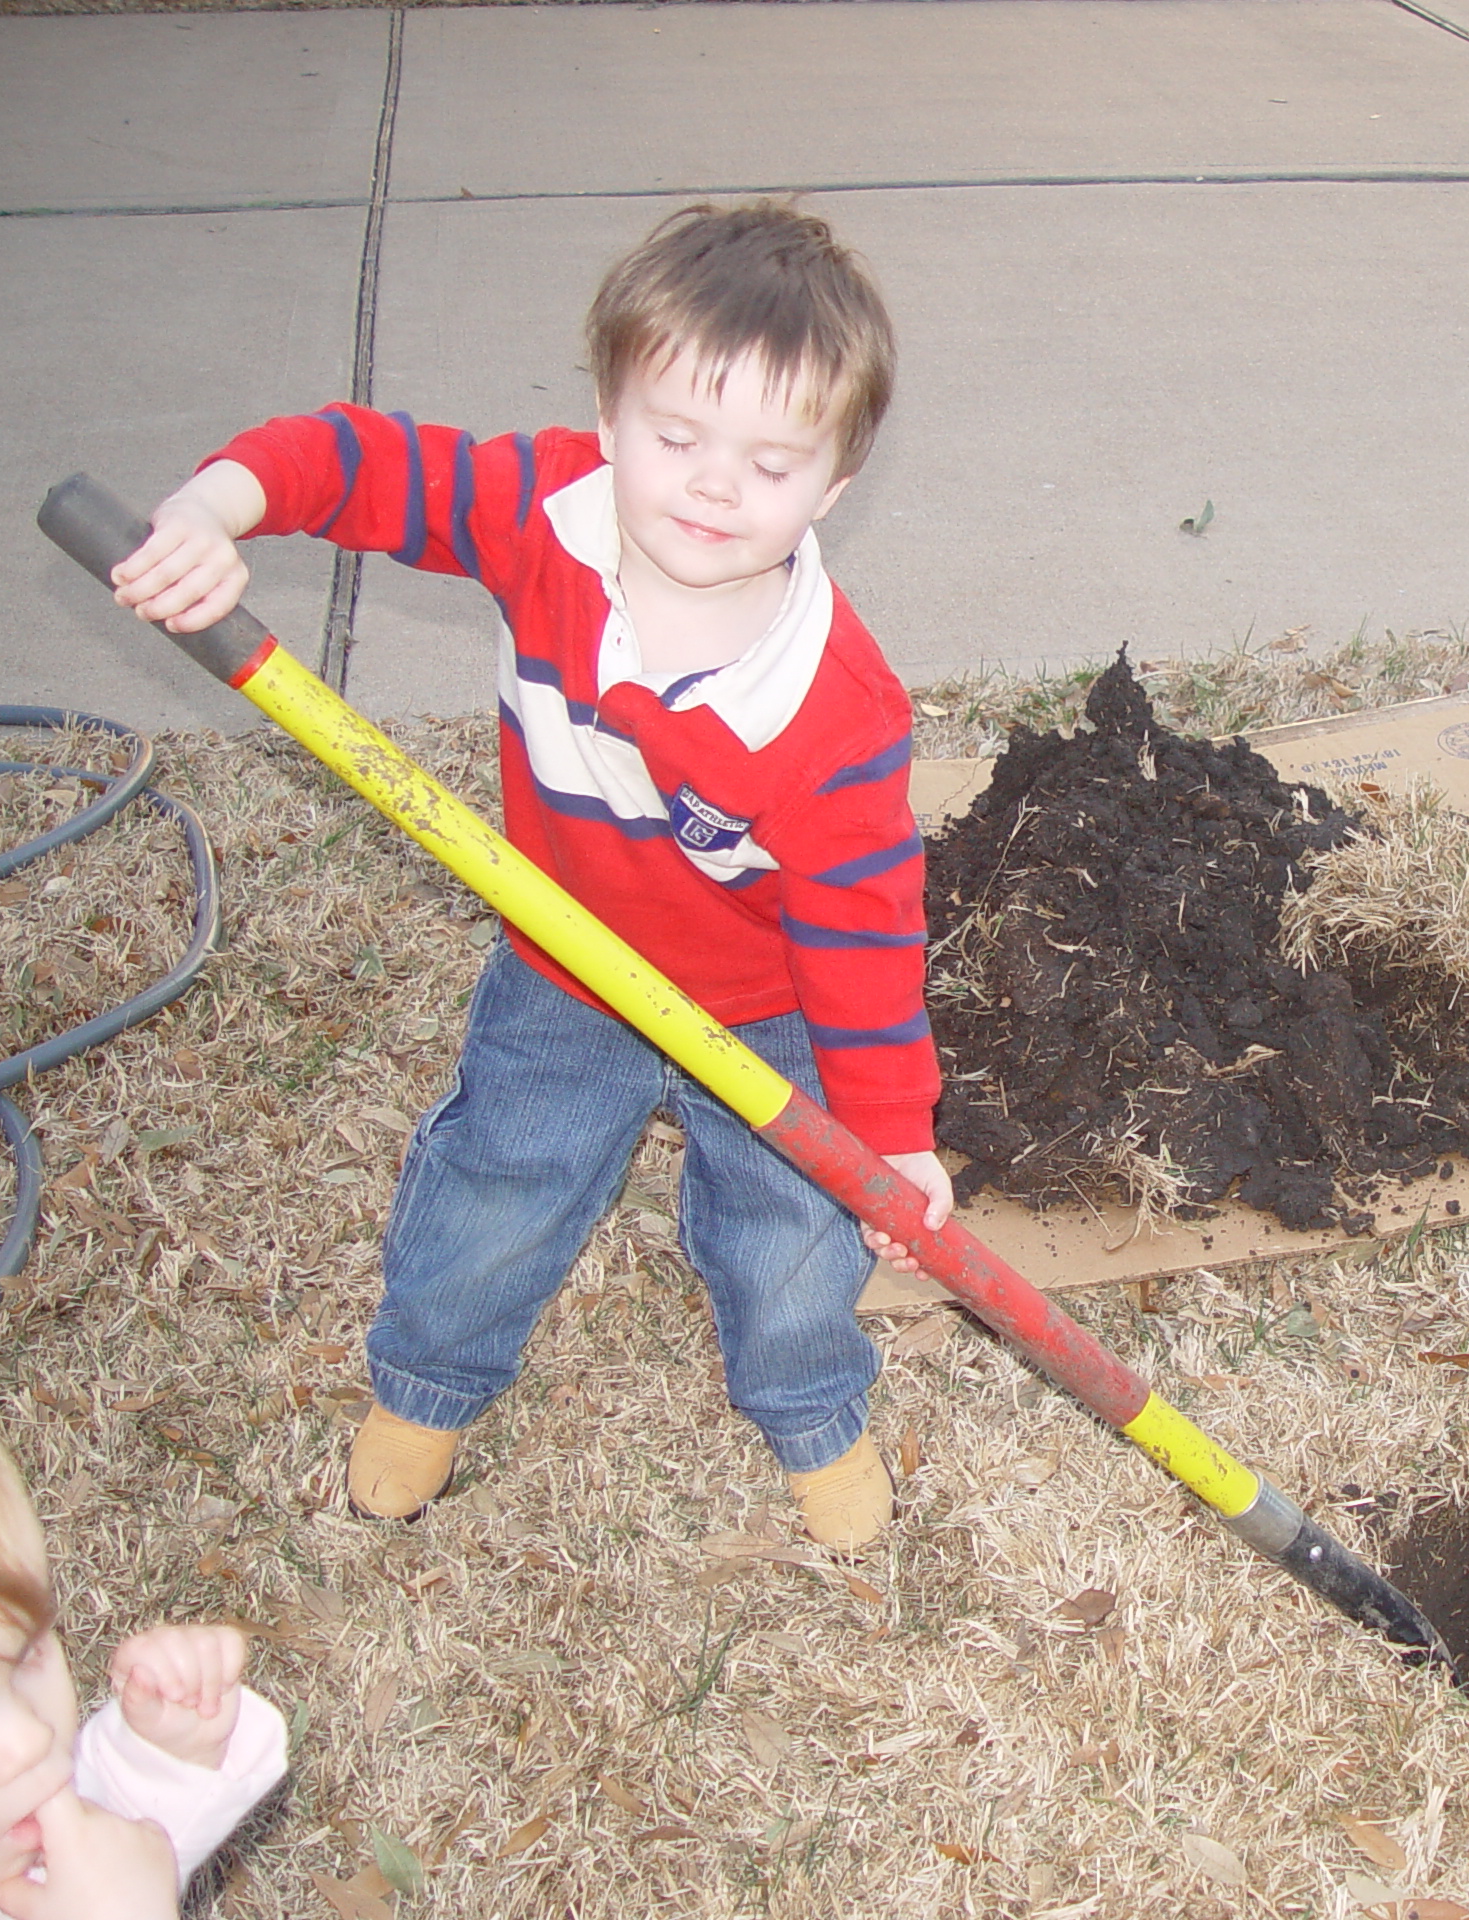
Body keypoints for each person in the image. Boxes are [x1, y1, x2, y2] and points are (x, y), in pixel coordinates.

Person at [109, 202, 953, 1548]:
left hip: (764, 1006)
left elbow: (863, 940)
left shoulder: (834, 711)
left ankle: (807, 1407)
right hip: (566, 963)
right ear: (610, 419)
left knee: (793, 1232)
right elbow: (355, 460)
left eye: (772, 463)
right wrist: (217, 508)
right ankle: (430, 1382)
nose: (713, 486)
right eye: (674, 437)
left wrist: (891, 1138)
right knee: (501, 1180)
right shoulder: (541, 512)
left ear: (835, 488)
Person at [0, 1390, 289, 1920]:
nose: (31, 1737)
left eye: (24, 1659)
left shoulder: (0, 1827)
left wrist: (165, 1759)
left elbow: (115, 1844)